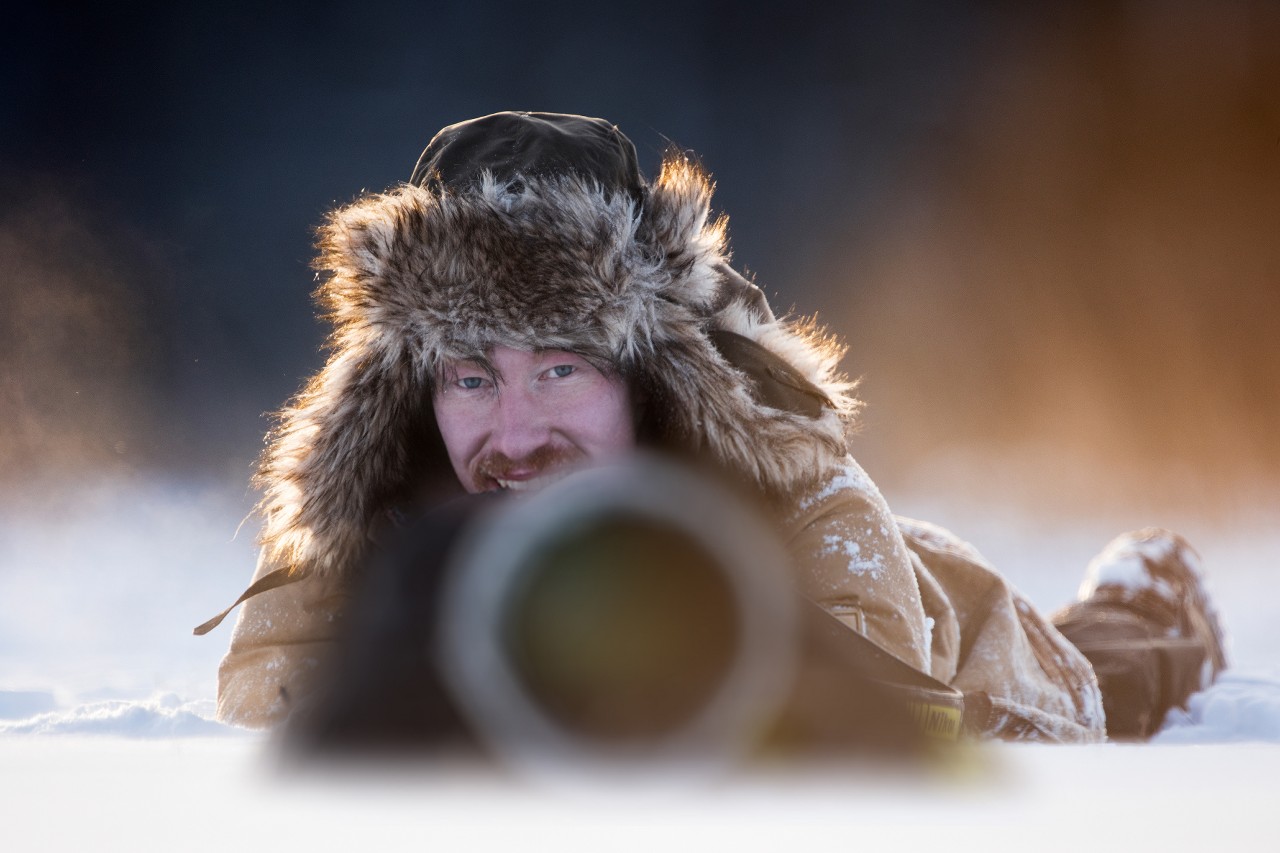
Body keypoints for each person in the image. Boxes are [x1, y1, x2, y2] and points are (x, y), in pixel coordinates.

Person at [207, 111, 1226, 744]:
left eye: (559, 369)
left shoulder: (790, 487)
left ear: (646, 379)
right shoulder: (381, 491)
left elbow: (900, 728)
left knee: (1098, 675)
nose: (513, 433)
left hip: (933, 628)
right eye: (472, 378)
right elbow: (267, 692)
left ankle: (1146, 598)